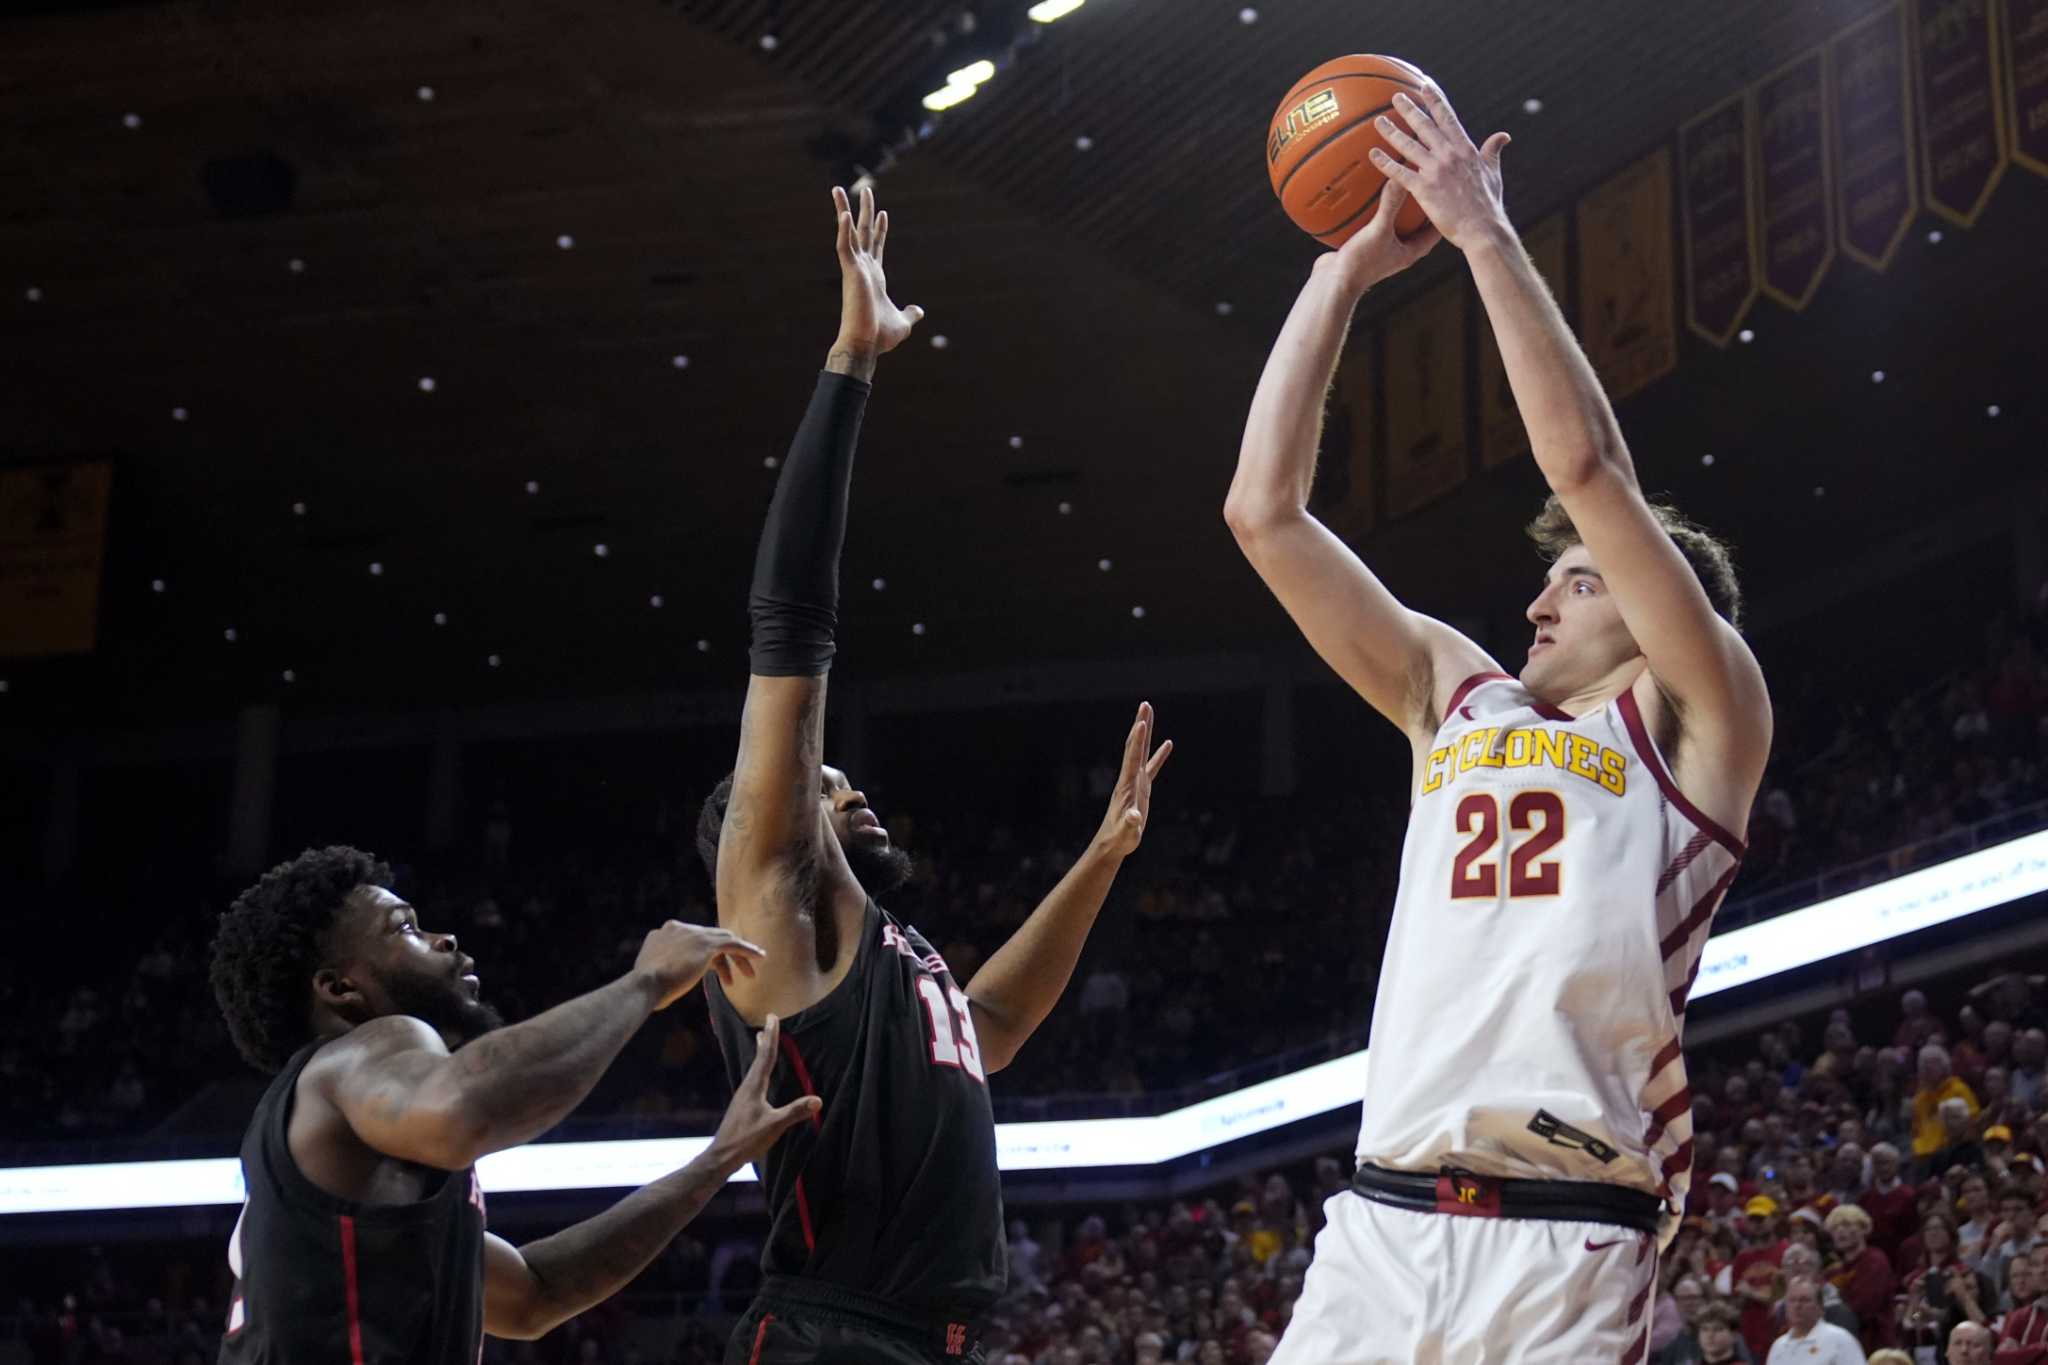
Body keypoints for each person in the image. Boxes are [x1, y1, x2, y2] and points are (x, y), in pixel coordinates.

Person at [1228, 78, 1768, 1365]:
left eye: (1577, 581)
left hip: (1563, 1236)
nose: (1536, 599)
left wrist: (1482, 234)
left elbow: (1583, 470)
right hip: (1381, 1227)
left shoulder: (1702, 717)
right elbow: (1263, 515)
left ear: (1656, 611)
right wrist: (1343, 277)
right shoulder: (1454, 696)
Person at [696, 185, 1174, 1365]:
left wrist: (1101, 857)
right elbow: (788, 620)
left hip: (928, 1341)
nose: (845, 787)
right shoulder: (770, 907)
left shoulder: (887, 954)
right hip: (828, 1336)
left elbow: (996, 1022)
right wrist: (850, 365)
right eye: (823, 779)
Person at [206, 846, 815, 1365]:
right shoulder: (369, 1047)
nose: (444, 938)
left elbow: (533, 1295)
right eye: (405, 929)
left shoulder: (345, 1167)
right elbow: (463, 1108)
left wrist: (717, 1159)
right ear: (341, 989)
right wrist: (646, 982)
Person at [1825, 1205, 1896, 1353]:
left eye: (1846, 1225)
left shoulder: (1875, 1260)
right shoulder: (1833, 1271)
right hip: (1844, 1346)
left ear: (1864, 1229)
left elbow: (1864, 1306)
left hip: (1875, 1345)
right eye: (1835, 1227)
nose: (1840, 1231)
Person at [1765, 1276, 1866, 1363]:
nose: (1797, 1305)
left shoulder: (1840, 1339)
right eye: (1792, 1300)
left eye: (1804, 1300)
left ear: (1820, 1307)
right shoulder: (1778, 1347)